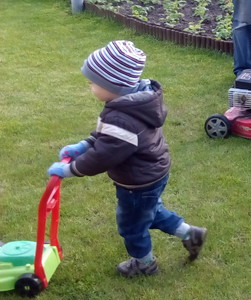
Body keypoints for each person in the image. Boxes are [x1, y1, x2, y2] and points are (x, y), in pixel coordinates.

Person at [47, 40, 207, 277]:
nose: (90, 86)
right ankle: (190, 233)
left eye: (93, 82)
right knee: (149, 211)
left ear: (112, 84)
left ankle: (144, 264)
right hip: (152, 173)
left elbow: (103, 155)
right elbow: (106, 137)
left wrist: (71, 169)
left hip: (138, 181)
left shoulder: (122, 117)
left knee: (132, 225)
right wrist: (83, 145)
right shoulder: (131, 103)